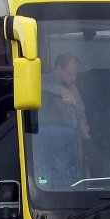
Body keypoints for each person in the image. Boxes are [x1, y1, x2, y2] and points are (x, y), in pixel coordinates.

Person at [36, 53, 89, 187]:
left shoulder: (72, 86)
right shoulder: (44, 79)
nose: (73, 77)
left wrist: (84, 129)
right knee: (49, 170)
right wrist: (61, 91)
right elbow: (43, 86)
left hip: (71, 137)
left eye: (75, 74)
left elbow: (80, 110)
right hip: (47, 137)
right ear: (58, 68)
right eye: (69, 73)